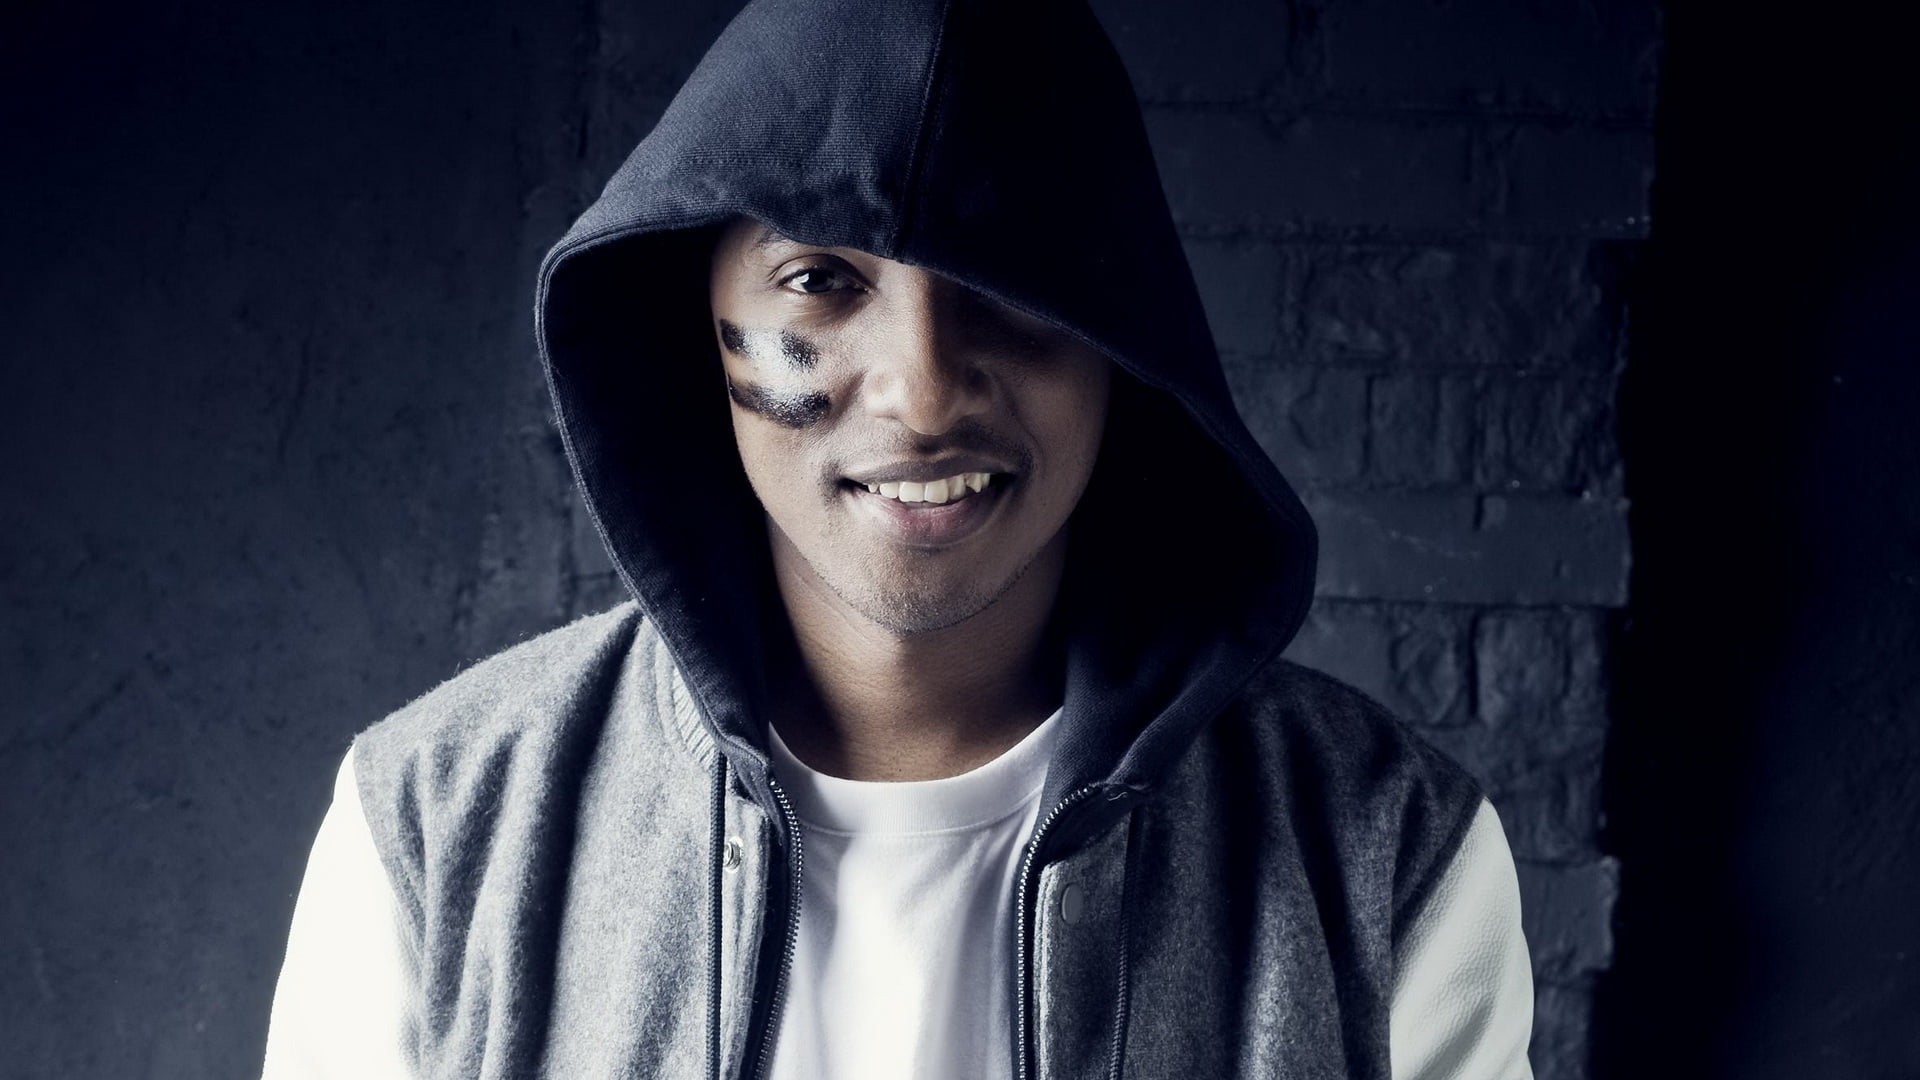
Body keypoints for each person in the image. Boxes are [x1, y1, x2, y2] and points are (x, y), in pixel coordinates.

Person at [261, 0, 1535, 1076]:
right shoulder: (434, 825)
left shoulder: (1383, 855)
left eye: (1008, 279)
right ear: (691, 321)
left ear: (1124, 335)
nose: (923, 393)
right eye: (823, 280)